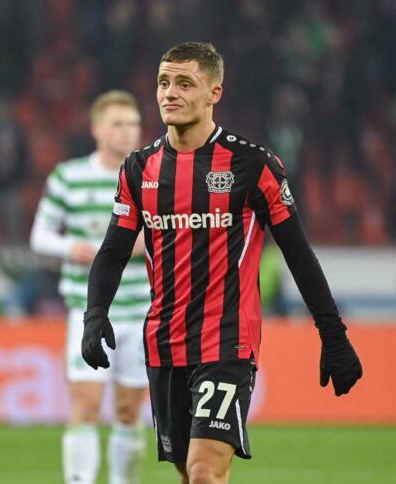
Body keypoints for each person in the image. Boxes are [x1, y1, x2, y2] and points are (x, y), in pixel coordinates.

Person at [82, 42, 363, 484]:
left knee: (203, 471)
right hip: (164, 340)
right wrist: (95, 312)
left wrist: (333, 334)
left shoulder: (252, 165)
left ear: (214, 92)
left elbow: (298, 254)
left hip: (227, 340)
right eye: (163, 82)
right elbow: (113, 252)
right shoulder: (138, 169)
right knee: (187, 472)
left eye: (184, 83)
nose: (168, 93)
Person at [30, 91, 151, 484]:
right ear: (97, 129)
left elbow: (171, 233)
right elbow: (40, 236)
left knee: (130, 412)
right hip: (87, 311)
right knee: (85, 404)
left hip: (140, 311)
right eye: (117, 123)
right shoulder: (68, 176)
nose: (127, 131)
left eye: (132, 123)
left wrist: (139, 244)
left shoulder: (153, 175)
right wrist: (73, 248)